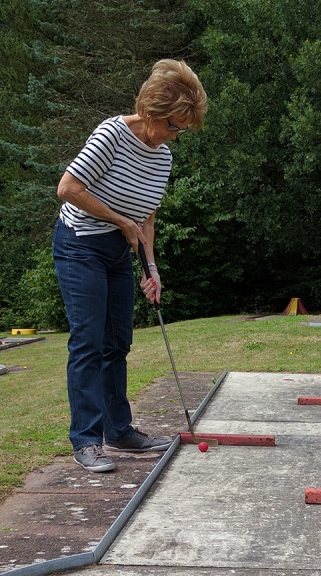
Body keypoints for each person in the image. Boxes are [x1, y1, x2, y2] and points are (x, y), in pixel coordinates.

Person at [53, 59, 208, 473]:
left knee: (117, 341)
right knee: (87, 340)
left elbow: (148, 216)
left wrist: (150, 267)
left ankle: (118, 431)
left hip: (121, 249)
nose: (176, 135)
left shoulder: (163, 157)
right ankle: (86, 440)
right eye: (174, 125)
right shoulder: (112, 135)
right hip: (80, 245)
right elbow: (67, 189)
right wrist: (120, 221)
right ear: (154, 111)